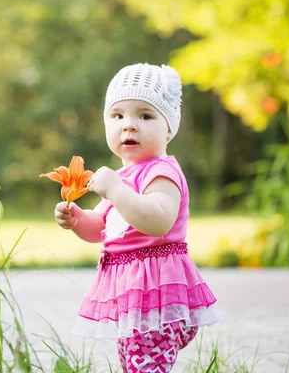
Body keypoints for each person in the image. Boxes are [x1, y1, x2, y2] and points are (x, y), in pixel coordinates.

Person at [53, 63, 224, 372]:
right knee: (133, 365)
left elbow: (159, 220)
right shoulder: (122, 177)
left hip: (159, 293)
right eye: (117, 116)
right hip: (131, 296)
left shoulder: (161, 172)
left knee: (144, 366)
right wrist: (78, 219)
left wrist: (115, 190)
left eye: (145, 116)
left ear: (169, 127)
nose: (128, 125)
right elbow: (103, 229)